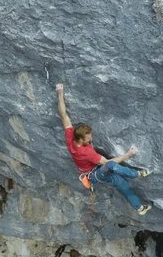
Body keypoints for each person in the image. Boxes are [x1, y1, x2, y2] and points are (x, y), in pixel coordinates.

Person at [56, 83, 153, 215]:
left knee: (123, 185)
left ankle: (139, 208)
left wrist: (60, 93)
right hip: (95, 175)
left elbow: (63, 115)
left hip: (95, 171)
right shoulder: (86, 152)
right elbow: (108, 164)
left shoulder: (70, 137)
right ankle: (138, 174)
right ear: (80, 140)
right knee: (111, 165)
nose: (91, 138)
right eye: (88, 138)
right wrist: (128, 155)